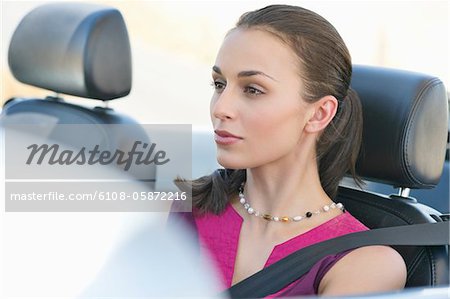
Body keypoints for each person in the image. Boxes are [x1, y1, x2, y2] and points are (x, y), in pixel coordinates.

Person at [172, 4, 406, 297]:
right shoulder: (184, 212)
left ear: (319, 114)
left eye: (253, 89)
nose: (221, 108)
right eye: (219, 84)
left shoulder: (365, 264)